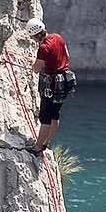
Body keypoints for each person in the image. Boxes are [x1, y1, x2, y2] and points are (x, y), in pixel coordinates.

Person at [27, 19, 74, 153]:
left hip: (53, 84)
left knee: (45, 117)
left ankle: (37, 148)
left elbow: (36, 69)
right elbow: (66, 55)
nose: (31, 39)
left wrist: (37, 65)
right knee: (55, 115)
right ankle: (46, 143)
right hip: (65, 80)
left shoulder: (43, 48)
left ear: (35, 35)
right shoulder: (57, 37)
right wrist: (51, 68)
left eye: (31, 36)